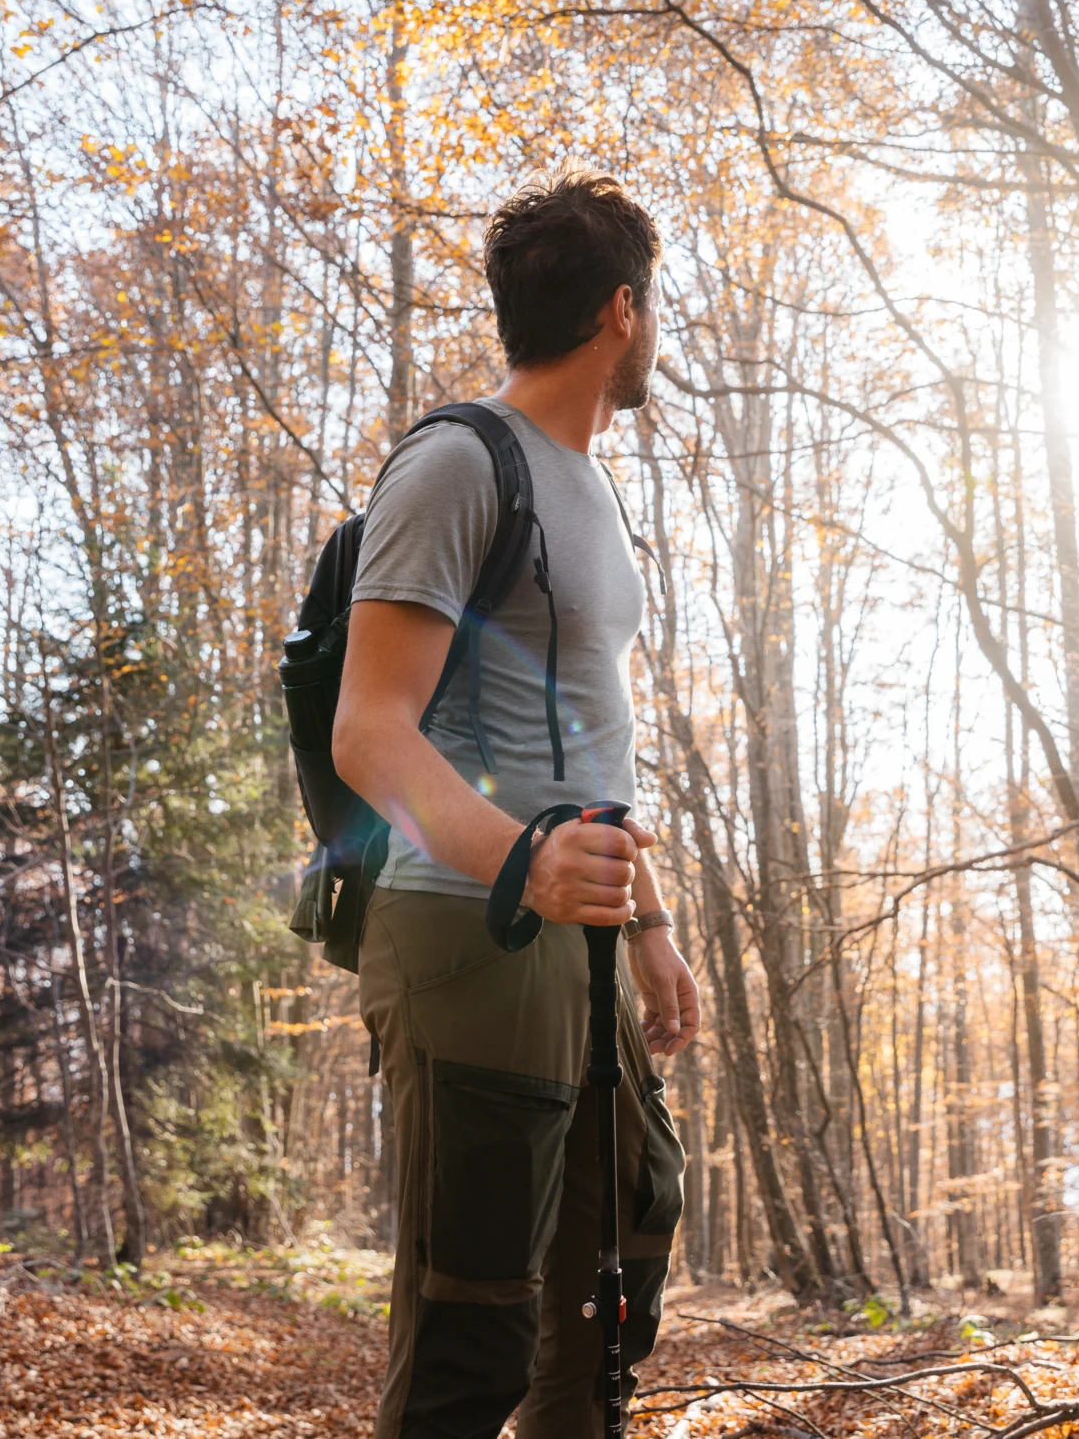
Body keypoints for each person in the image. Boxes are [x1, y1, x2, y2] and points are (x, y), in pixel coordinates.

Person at [332, 171, 701, 1439]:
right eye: (653, 307)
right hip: (468, 926)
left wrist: (646, 925)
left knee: (612, 1289)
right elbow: (367, 732)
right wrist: (527, 868)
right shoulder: (454, 463)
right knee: (469, 1333)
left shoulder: (588, 484)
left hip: (586, 932)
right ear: (621, 310)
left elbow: (593, 748)